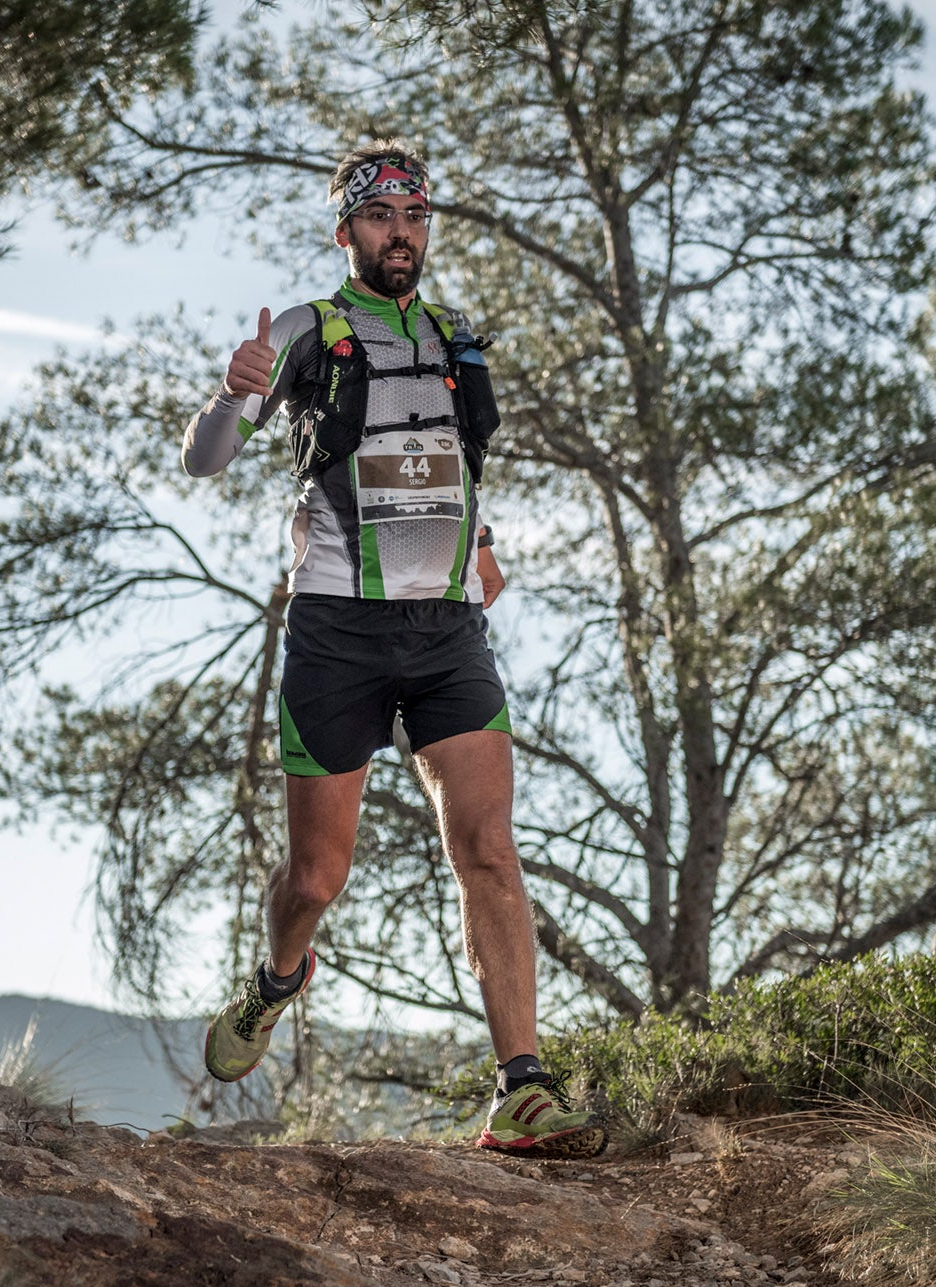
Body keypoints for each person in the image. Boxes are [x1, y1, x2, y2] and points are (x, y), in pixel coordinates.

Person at [178, 141, 605, 1158]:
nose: (399, 232)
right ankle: (280, 976)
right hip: (337, 628)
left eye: (413, 215)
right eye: (378, 217)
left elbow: (446, 462)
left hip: (448, 631)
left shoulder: (456, 335)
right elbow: (204, 460)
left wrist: (482, 543)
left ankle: (520, 1088)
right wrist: (228, 391)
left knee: (488, 851)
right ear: (347, 234)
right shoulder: (302, 331)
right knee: (316, 877)